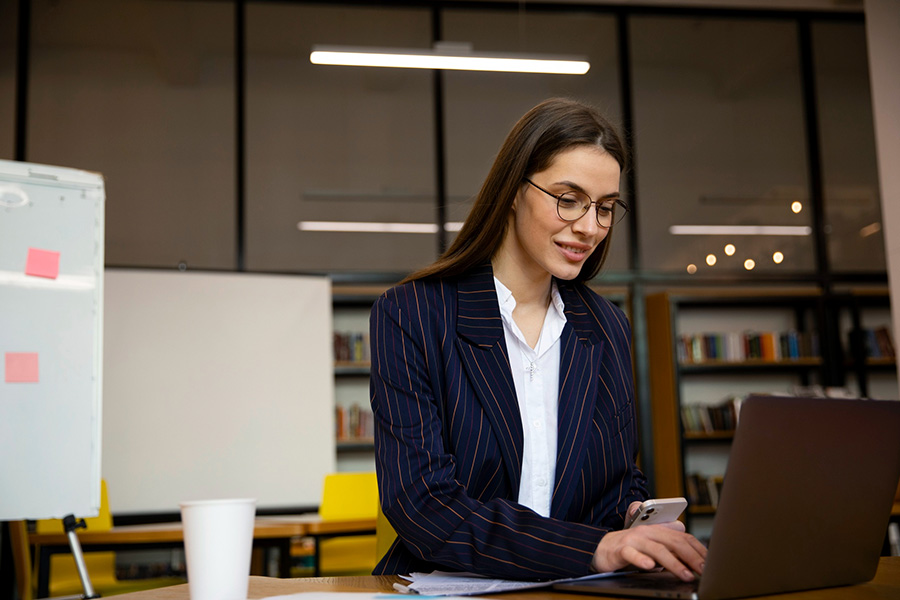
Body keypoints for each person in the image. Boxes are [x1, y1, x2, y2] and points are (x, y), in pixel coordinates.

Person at [369, 98, 707, 581]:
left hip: (577, 590)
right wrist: (594, 548)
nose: (590, 227)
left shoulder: (606, 325)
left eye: (606, 208)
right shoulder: (413, 315)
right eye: (568, 199)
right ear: (513, 190)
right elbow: (424, 504)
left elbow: (616, 478)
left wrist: (638, 522)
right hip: (447, 587)